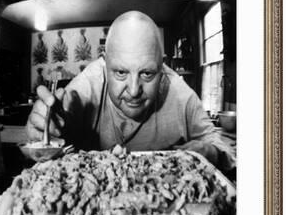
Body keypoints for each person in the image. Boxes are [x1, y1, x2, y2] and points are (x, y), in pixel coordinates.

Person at [26, 11, 234, 170]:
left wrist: (210, 152)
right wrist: (42, 130)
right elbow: (51, 130)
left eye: (147, 73)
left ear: (162, 67)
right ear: (104, 63)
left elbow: (222, 148)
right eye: (121, 72)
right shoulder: (86, 86)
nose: (134, 91)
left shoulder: (181, 94)